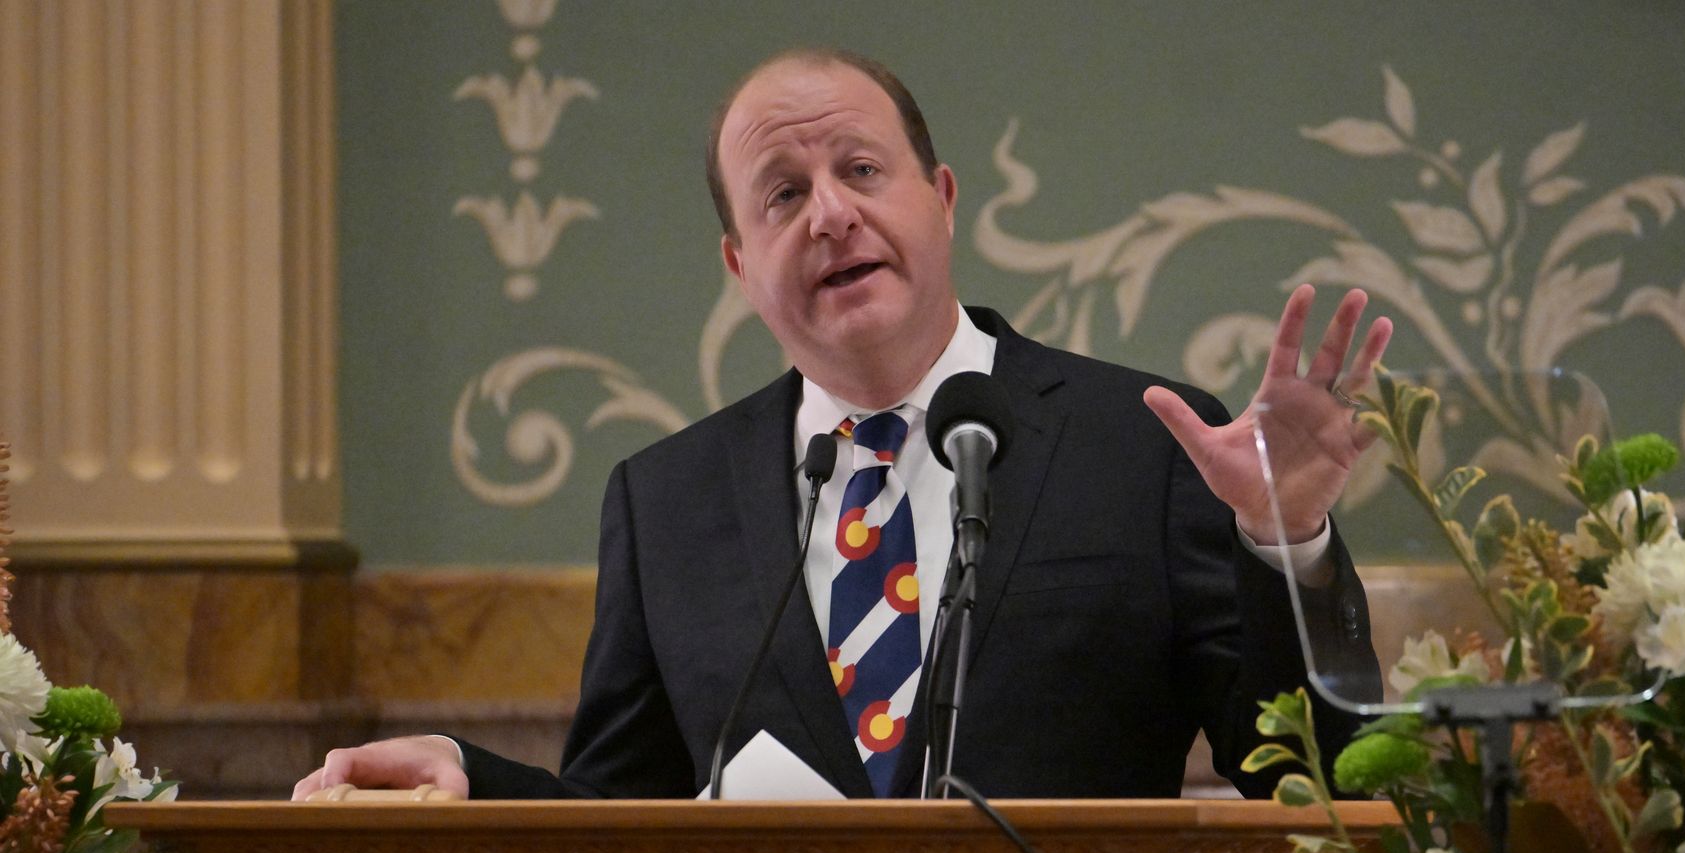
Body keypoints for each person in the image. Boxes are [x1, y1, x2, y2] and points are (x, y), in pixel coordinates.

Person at [293, 47, 1388, 803]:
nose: (830, 214)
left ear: (944, 197)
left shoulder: (1144, 442)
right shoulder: (665, 500)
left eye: (862, 170)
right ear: (739, 265)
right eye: (781, 195)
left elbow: (1308, 785)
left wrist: (1286, 544)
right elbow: (618, 823)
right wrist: (465, 776)